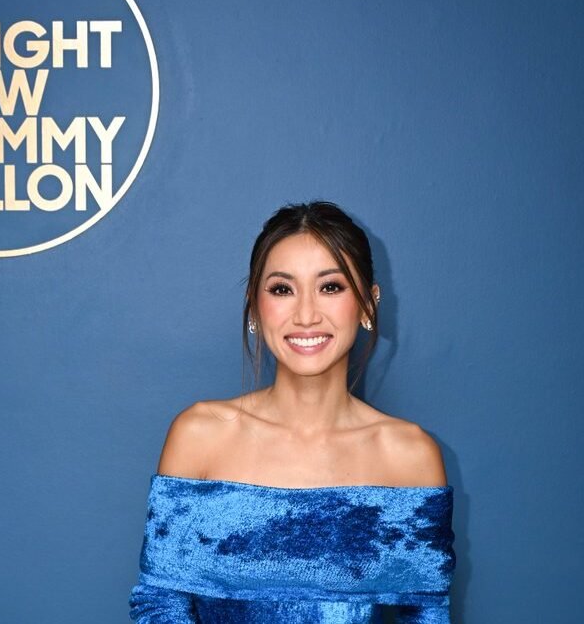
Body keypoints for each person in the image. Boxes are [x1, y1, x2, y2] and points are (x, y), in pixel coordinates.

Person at [128, 201, 456, 623]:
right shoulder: (199, 435)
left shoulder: (409, 457)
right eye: (283, 289)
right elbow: (160, 606)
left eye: (331, 287)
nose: (306, 315)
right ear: (254, 304)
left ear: (368, 304)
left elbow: (426, 616)